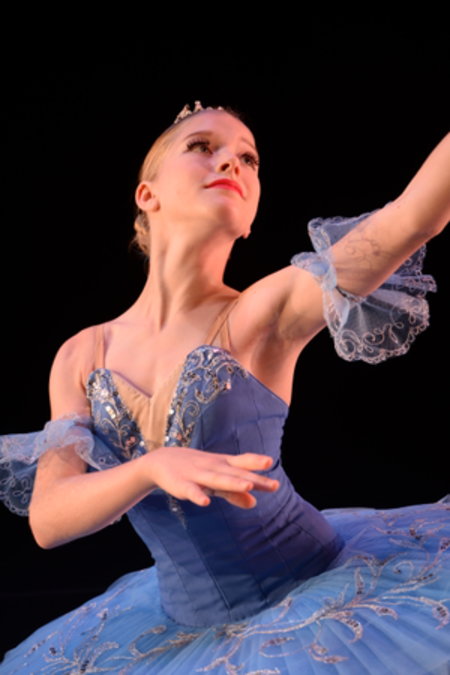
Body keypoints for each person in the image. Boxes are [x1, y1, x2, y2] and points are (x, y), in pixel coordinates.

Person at [0, 101, 449, 674]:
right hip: (177, 632)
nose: (232, 163)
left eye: (249, 158)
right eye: (202, 147)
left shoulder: (262, 312)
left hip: (315, 596)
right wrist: (150, 468)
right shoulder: (82, 354)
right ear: (147, 195)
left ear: (250, 216)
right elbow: (49, 519)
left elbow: (412, 218)